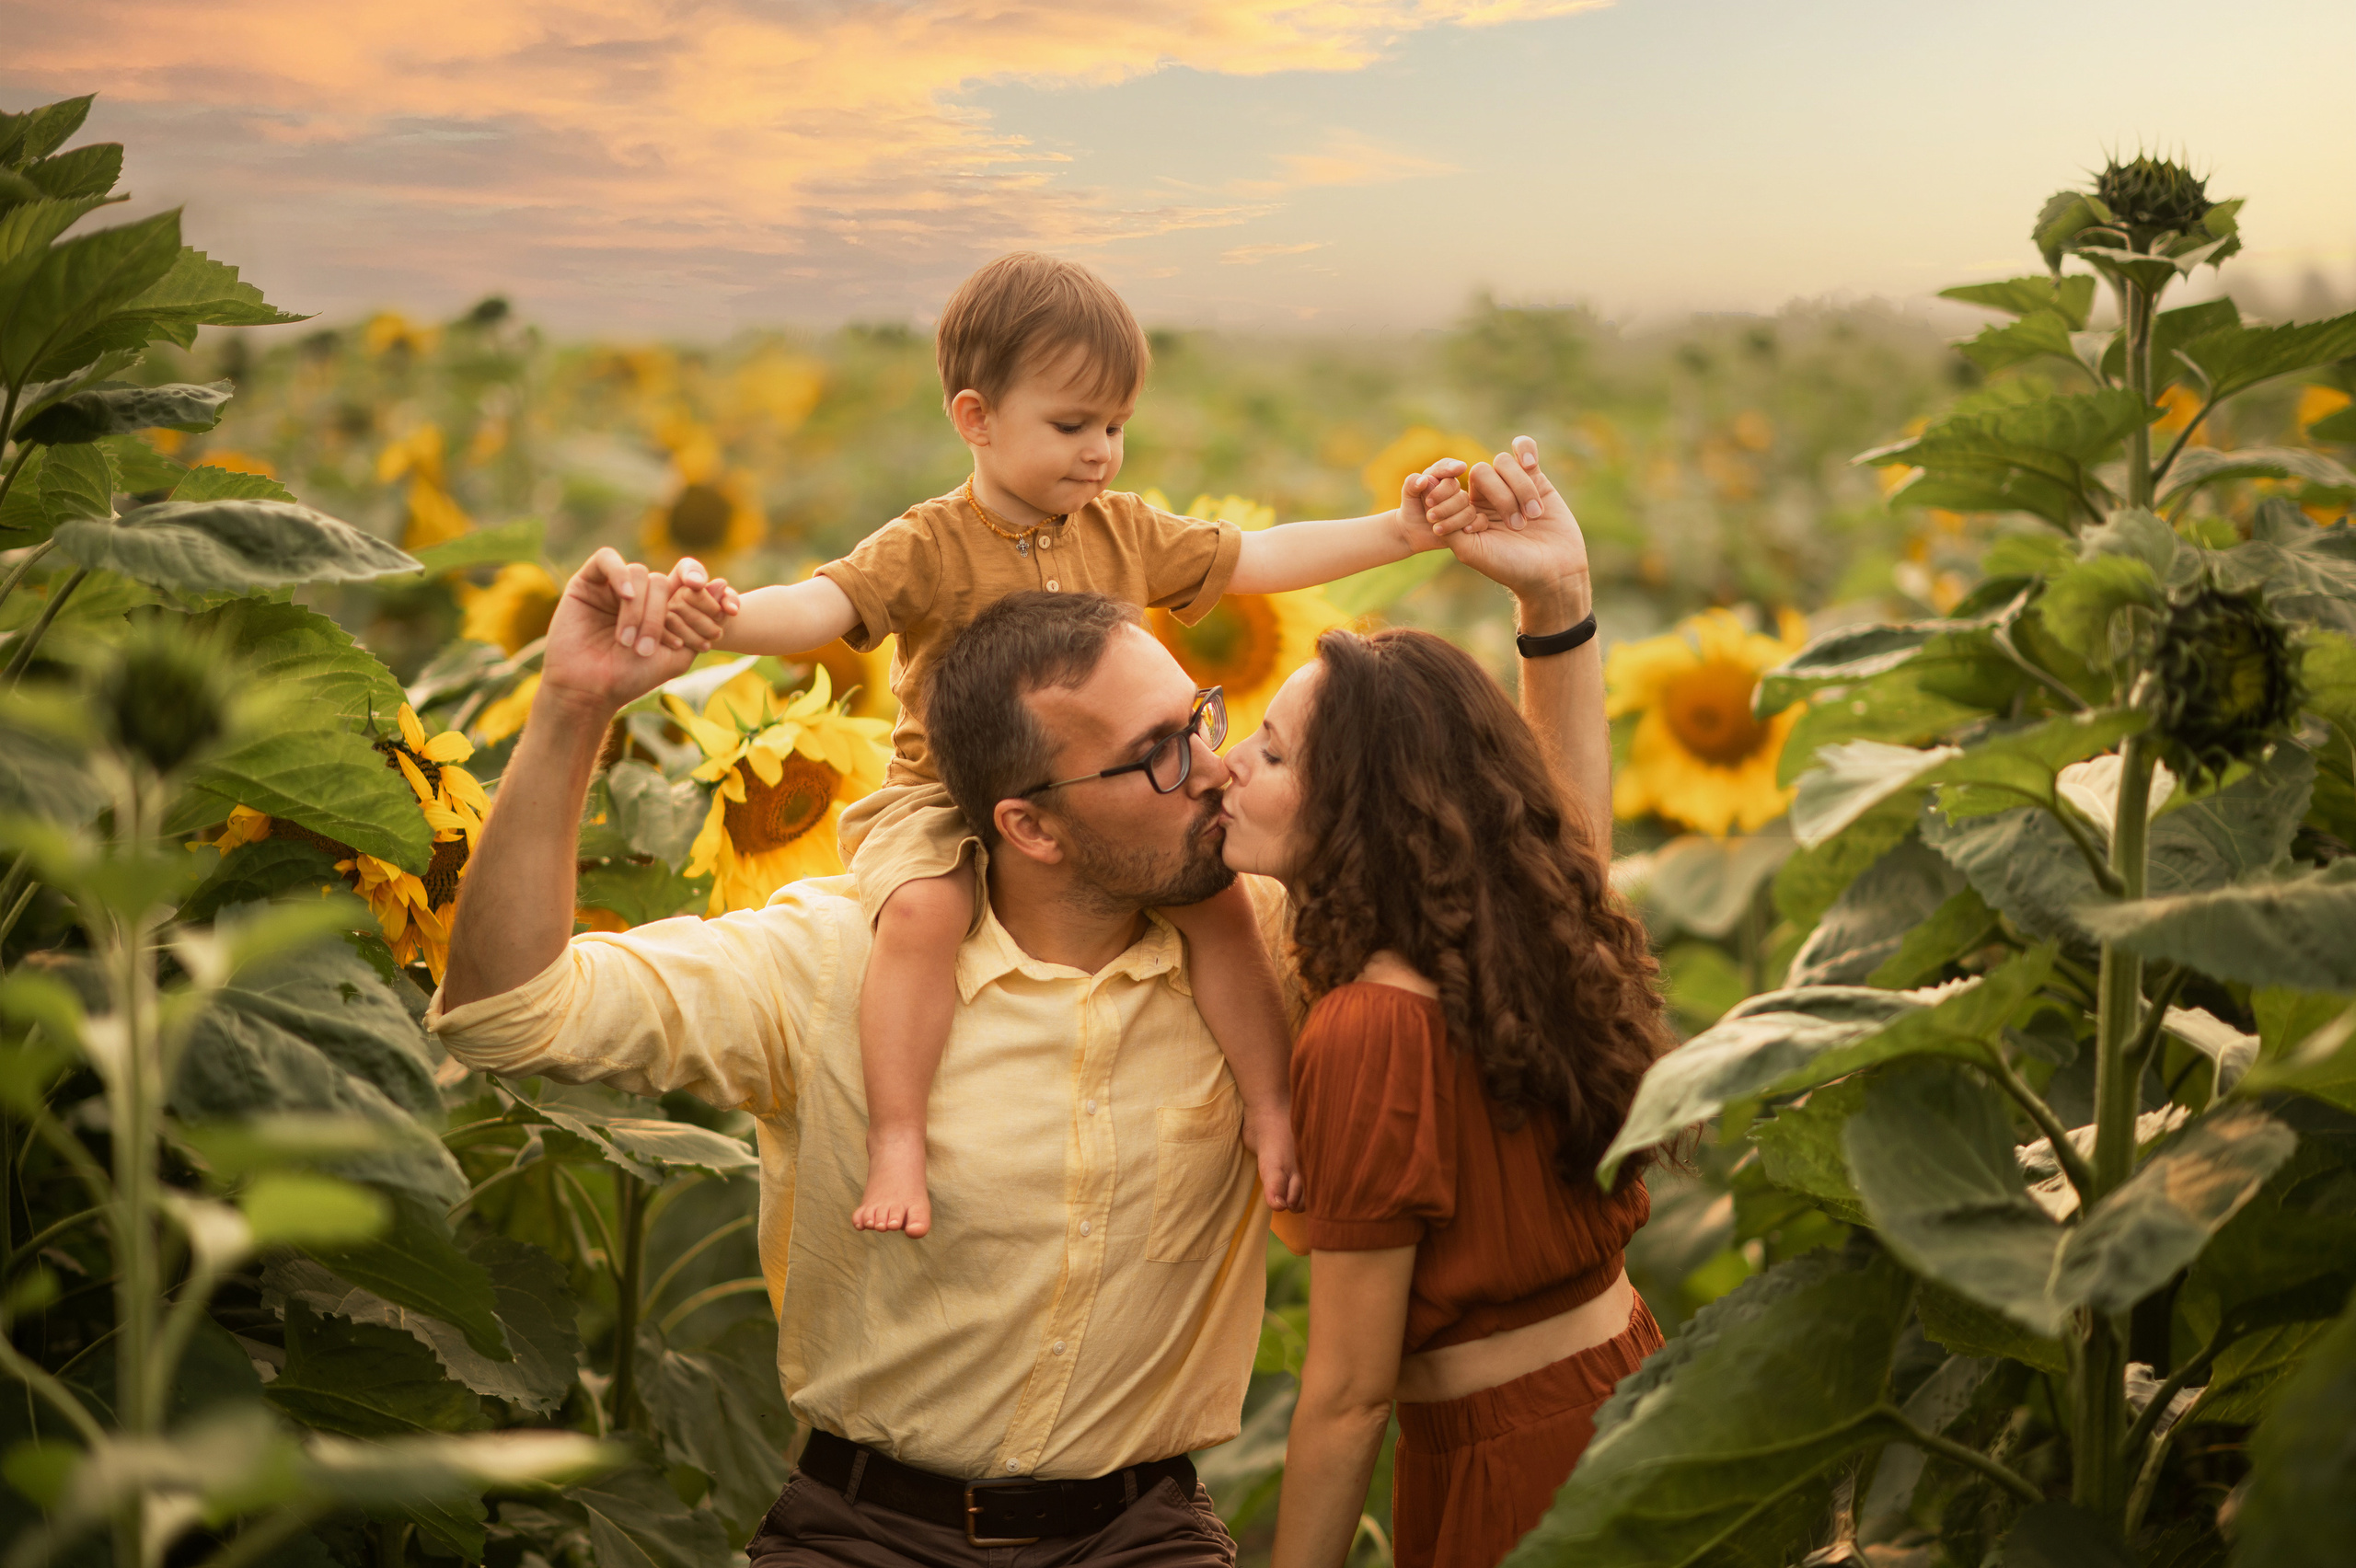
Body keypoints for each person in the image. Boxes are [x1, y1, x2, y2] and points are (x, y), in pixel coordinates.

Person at [647, 252, 1474, 1239]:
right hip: (944, 794)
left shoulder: (1120, 529)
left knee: (1216, 907)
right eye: (1072, 426)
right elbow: (820, 606)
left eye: (1117, 427)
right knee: (917, 913)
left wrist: (1401, 530)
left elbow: (1258, 558)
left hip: (1108, 790)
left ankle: (1269, 1106)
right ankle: (899, 1140)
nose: (1100, 454)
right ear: (976, 418)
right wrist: (720, 618)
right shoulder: (929, 543)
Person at [1214, 440, 1672, 1568]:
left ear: (1361, 810)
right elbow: (1565, 839)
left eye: (1269, 754)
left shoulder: (1373, 1027)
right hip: (1629, 1404)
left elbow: (1347, 1399)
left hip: (1506, 1469)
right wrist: (1557, 603)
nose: (1227, 763)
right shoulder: (1517, 937)